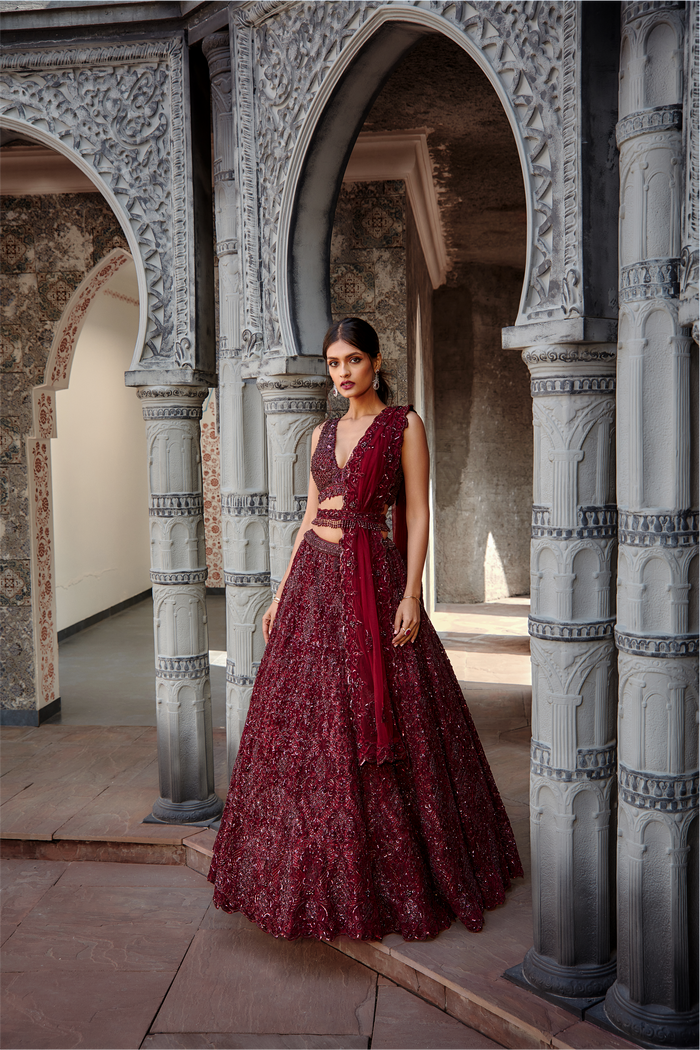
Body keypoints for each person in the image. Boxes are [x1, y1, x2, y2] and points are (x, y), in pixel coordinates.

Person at [208, 317, 523, 941]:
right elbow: (306, 517)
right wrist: (281, 592)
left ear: (376, 362)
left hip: (373, 582)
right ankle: (299, 870)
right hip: (313, 584)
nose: (343, 372)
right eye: (333, 363)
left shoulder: (404, 424)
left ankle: (405, 872)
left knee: (391, 715)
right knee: (307, 721)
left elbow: (417, 511)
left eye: (353, 360)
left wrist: (411, 592)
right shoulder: (324, 433)